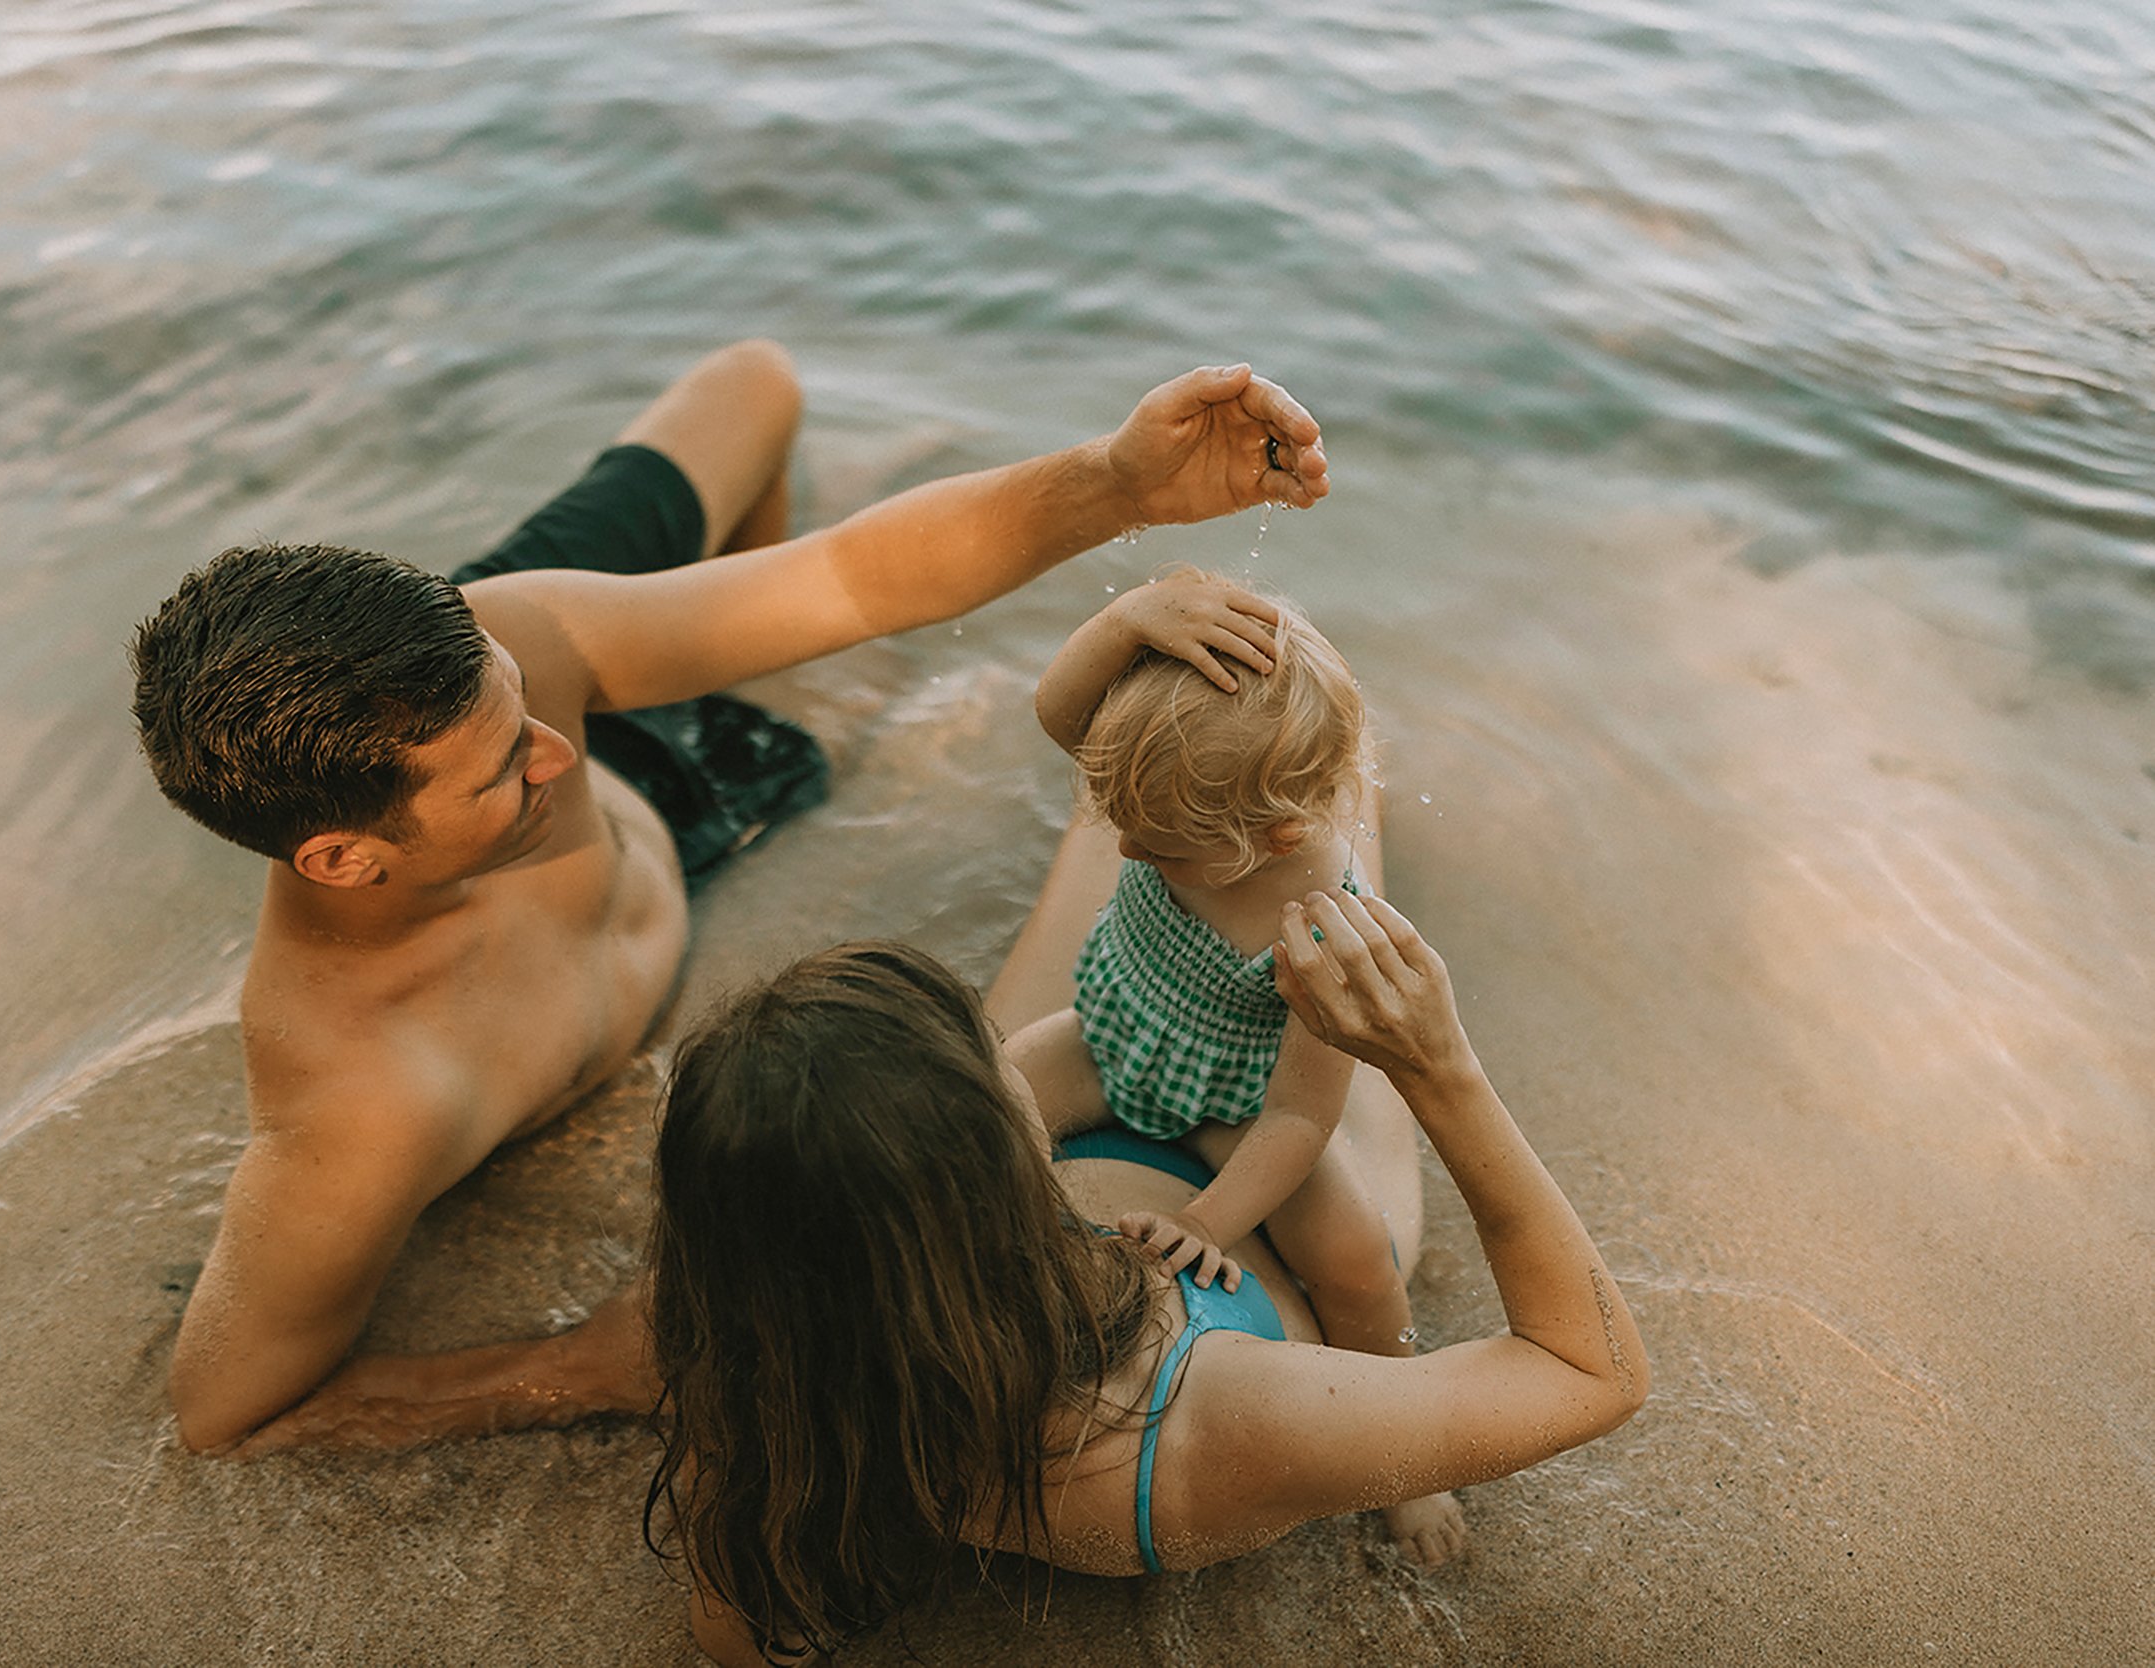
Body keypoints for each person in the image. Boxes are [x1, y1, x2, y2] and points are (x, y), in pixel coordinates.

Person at [126, 341, 1331, 1454]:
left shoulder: (513, 649)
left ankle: (723, 647)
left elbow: (852, 576)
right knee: (826, 697)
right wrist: (582, 1366)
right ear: (341, 857)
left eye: (524, 708)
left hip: (590, 773)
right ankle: (750, 664)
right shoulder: (362, 1109)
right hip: (642, 810)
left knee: (755, 389)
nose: (561, 751)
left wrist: (1118, 482)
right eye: (511, 761)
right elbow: (223, 1413)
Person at [647, 843, 1648, 1665]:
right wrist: (1443, 1070)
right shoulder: (1217, 1428)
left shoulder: (760, 1376)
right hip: (1260, 1212)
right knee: (1328, 853)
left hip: (1057, 1146)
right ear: (993, 1156)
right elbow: (1589, 1372)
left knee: (1153, 798)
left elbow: (730, 1636)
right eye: (995, 1067)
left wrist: (1124, 634)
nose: (1012, 1060)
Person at [1003, 568, 1465, 1559]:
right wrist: (1124, 619)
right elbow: (1057, 712)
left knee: (1357, 1265)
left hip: (1235, 1106)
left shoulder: (1324, 927)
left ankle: (1405, 1464)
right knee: (987, 1092)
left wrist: (1208, 1222)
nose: (1124, 848)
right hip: (1104, 1036)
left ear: (1277, 836)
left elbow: (1300, 1117)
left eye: (1159, 849)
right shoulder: (1171, 802)